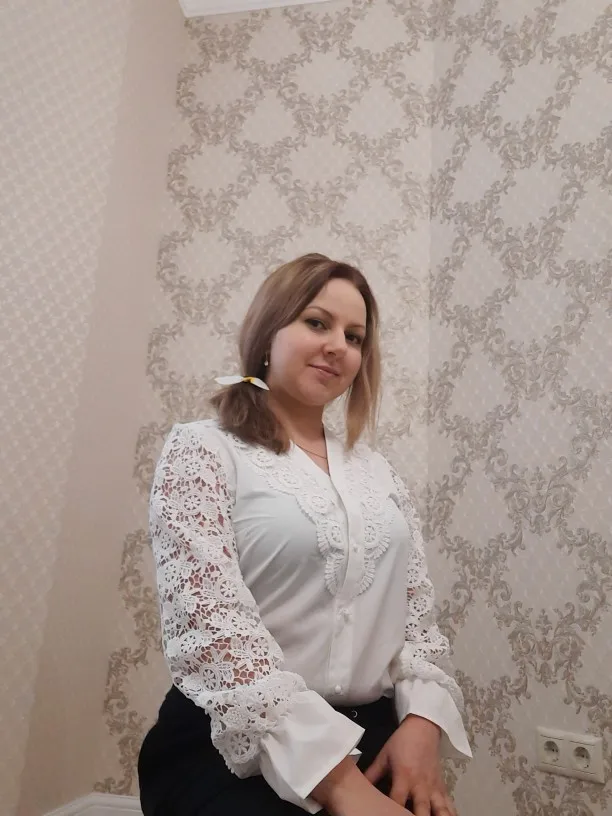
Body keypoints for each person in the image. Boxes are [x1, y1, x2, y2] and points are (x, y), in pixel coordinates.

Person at [138, 254, 471, 816]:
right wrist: (342, 787)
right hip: (231, 743)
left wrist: (422, 723)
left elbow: (415, 623)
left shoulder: (378, 473)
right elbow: (212, 631)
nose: (338, 345)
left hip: (374, 738)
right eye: (317, 323)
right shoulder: (203, 449)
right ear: (268, 333)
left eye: (354, 336)